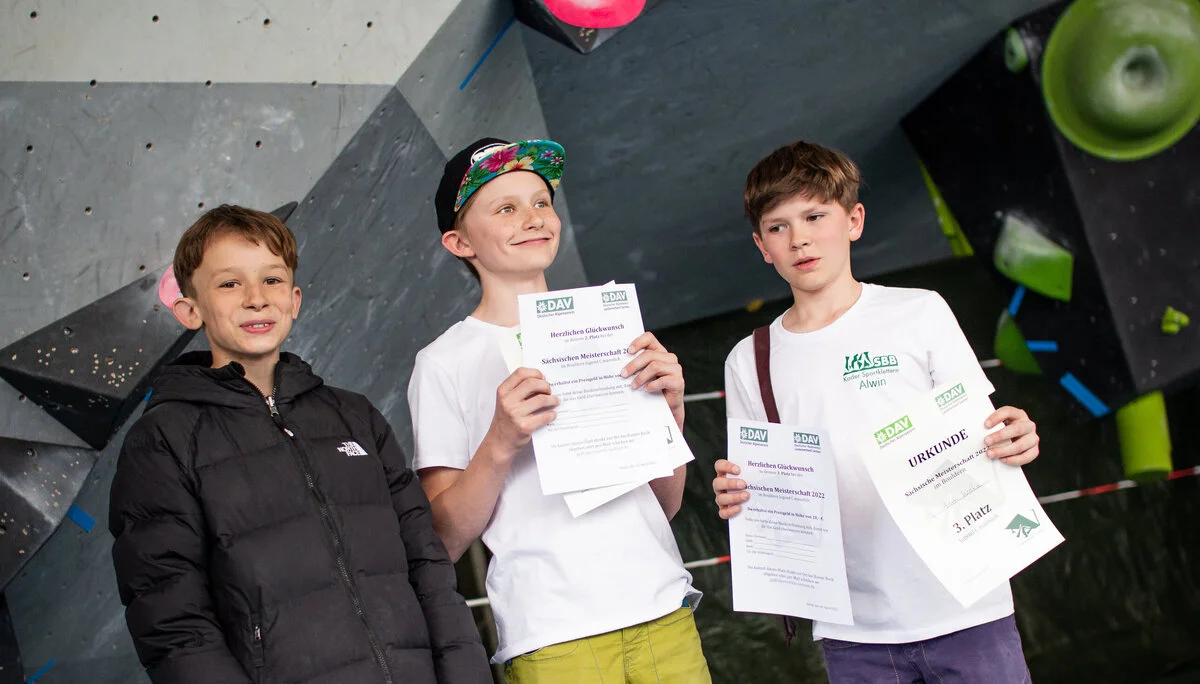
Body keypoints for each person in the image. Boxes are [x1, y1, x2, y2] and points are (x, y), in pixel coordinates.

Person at [109, 205, 490, 684]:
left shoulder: (354, 417)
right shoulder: (163, 440)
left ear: (294, 299)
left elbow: (428, 570)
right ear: (190, 310)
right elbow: (174, 625)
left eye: (271, 280)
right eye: (229, 284)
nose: (255, 299)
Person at [712, 140, 1042, 683]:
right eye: (778, 226)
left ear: (854, 220)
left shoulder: (919, 312)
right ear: (761, 245)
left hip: (967, 606)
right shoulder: (750, 360)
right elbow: (761, 492)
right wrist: (739, 497)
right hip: (854, 633)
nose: (799, 238)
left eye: (815, 215)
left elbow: (987, 433)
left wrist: (1016, 438)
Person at [408, 138, 711, 683]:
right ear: (458, 242)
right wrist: (500, 440)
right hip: (553, 635)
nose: (533, 218)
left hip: (664, 607)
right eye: (505, 208)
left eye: (541, 202)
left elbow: (662, 506)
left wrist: (672, 414)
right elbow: (444, 539)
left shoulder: (610, 330)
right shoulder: (442, 363)